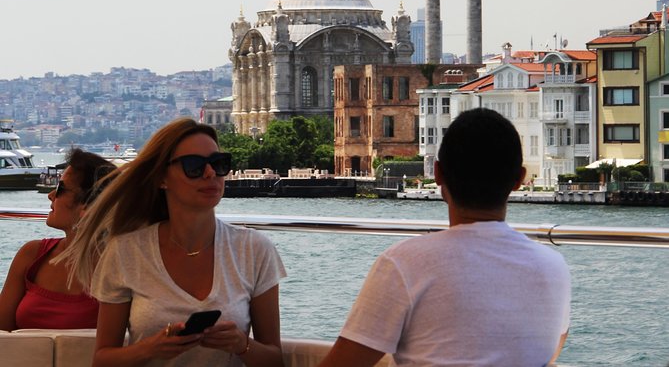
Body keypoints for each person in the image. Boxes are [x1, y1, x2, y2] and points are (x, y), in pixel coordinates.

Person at [319, 108, 571, 367]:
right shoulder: (554, 267)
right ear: (519, 179)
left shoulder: (404, 263)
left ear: (438, 173)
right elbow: (547, 355)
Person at [60, 118, 286, 367]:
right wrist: (150, 349)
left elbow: (274, 360)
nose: (210, 173)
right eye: (194, 166)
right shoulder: (126, 253)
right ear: (161, 178)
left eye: (219, 164)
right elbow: (102, 360)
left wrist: (241, 344)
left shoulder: (254, 250)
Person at [0, 148, 116, 330]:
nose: (50, 195)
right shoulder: (31, 255)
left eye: (60, 189)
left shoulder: (119, 266)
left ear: (88, 205)